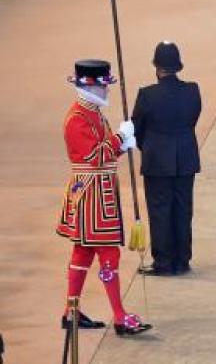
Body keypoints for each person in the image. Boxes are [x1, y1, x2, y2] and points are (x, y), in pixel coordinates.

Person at [57, 59, 152, 336]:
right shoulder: (77, 119)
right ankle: (119, 316)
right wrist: (119, 139)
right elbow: (95, 156)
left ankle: (71, 311)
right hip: (93, 195)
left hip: (97, 191)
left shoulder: (93, 113)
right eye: (103, 86)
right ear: (91, 87)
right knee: (108, 252)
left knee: (83, 250)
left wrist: (122, 144)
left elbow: (105, 152)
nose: (107, 91)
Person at [130, 43, 201, 276]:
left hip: (157, 160)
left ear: (157, 68)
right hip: (186, 158)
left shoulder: (147, 95)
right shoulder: (192, 90)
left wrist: (149, 147)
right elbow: (192, 119)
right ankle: (182, 259)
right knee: (183, 210)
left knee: (160, 211)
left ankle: (163, 262)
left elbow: (137, 129)